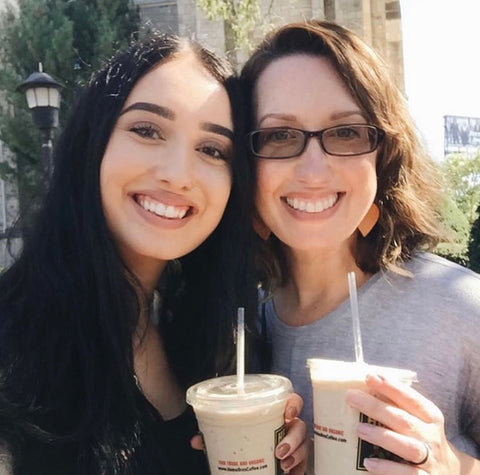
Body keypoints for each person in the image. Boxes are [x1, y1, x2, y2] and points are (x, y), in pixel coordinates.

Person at [0, 33, 306, 474]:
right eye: (147, 130)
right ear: (94, 143)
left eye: (212, 149)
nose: (178, 175)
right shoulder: (15, 353)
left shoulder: (208, 343)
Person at [241, 19, 480, 474]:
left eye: (346, 132)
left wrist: (453, 468)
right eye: (280, 135)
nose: (314, 170)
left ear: (383, 155)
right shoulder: (242, 324)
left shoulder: (459, 308)